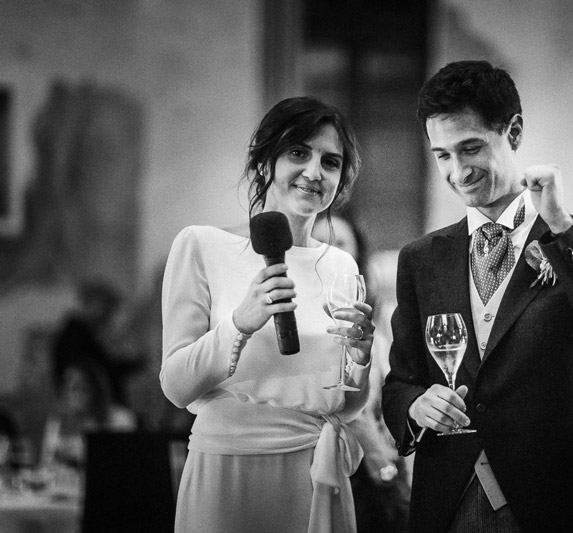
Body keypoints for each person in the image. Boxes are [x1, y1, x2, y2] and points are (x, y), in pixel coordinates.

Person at [381, 60, 573, 532]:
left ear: (514, 132)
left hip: (554, 504)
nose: (458, 171)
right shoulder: (421, 259)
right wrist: (415, 406)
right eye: (442, 155)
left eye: (471, 148)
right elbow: (400, 381)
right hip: (448, 500)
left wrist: (562, 228)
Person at [161, 96, 375, 533]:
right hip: (227, 472)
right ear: (264, 162)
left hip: (312, 470)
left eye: (330, 162)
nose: (314, 172)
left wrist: (360, 360)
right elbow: (176, 387)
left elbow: (347, 407)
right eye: (298, 152)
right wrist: (239, 323)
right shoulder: (201, 245)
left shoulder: (341, 265)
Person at [313, 214, 411, 531]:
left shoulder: (375, 311)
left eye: (339, 243)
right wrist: (377, 458)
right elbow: (339, 401)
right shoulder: (308, 318)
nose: (328, 252)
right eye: (319, 243)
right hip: (341, 463)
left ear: (356, 253)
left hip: (384, 455)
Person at [40, 357, 137, 490]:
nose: (73, 392)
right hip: (63, 492)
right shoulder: (58, 421)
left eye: (80, 386)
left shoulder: (120, 418)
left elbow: (125, 466)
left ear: (96, 388)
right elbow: (46, 465)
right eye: (68, 385)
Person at [52, 280, 145, 406]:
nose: (109, 315)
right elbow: (98, 371)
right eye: (106, 307)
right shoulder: (76, 339)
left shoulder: (87, 336)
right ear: (91, 304)